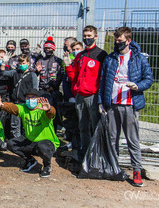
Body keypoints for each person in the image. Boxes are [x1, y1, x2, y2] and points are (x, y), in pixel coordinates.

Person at [98, 27, 153, 187]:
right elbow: (103, 81)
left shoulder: (139, 58)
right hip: (113, 104)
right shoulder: (110, 59)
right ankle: (114, 167)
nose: (117, 43)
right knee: (112, 138)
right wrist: (102, 101)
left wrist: (137, 86)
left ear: (128, 41)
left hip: (130, 104)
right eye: (116, 41)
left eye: (120, 41)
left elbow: (148, 78)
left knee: (132, 139)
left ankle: (136, 170)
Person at [64, 25, 108, 159]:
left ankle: (97, 153)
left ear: (95, 36)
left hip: (93, 96)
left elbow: (104, 77)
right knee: (82, 127)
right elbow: (74, 77)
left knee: (95, 126)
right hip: (80, 96)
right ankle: (85, 152)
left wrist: (101, 99)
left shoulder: (101, 54)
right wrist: (67, 66)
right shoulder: (80, 55)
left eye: (89, 36)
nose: (86, 38)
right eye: (85, 36)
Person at [0, 89, 59, 177]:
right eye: (28, 97)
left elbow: (52, 113)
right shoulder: (24, 107)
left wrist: (48, 109)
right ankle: (30, 160)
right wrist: (2, 105)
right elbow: (14, 108)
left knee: (42, 147)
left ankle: (47, 165)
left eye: (33, 97)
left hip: (47, 142)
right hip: (31, 141)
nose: (30, 100)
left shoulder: (43, 108)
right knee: (11, 144)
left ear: (38, 98)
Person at [0, 54, 39, 138]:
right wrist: (3, 63)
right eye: (20, 63)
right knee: (14, 124)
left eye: (23, 63)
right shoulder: (15, 73)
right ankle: (16, 140)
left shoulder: (32, 75)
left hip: (26, 103)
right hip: (15, 102)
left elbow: (35, 90)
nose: (21, 65)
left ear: (28, 63)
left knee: (26, 123)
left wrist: (34, 102)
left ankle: (27, 139)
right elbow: (3, 73)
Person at [36, 37, 64, 130]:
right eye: (46, 48)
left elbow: (61, 75)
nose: (48, 50)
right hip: (42, 90)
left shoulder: (58, 61)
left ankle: (54, 130)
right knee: (42, 111)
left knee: (53, 112)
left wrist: (54, 85)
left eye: (50, 48)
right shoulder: (40, 60)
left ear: (53, 49)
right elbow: (35, 74)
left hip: (54, 90)